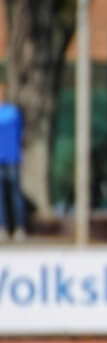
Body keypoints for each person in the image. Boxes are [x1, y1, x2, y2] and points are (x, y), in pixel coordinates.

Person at [0, 83, 27, 242]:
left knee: (14, 194)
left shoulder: (12, 112)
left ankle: (19, 227)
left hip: (11, 158)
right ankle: (2, 227)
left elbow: (20, 134)